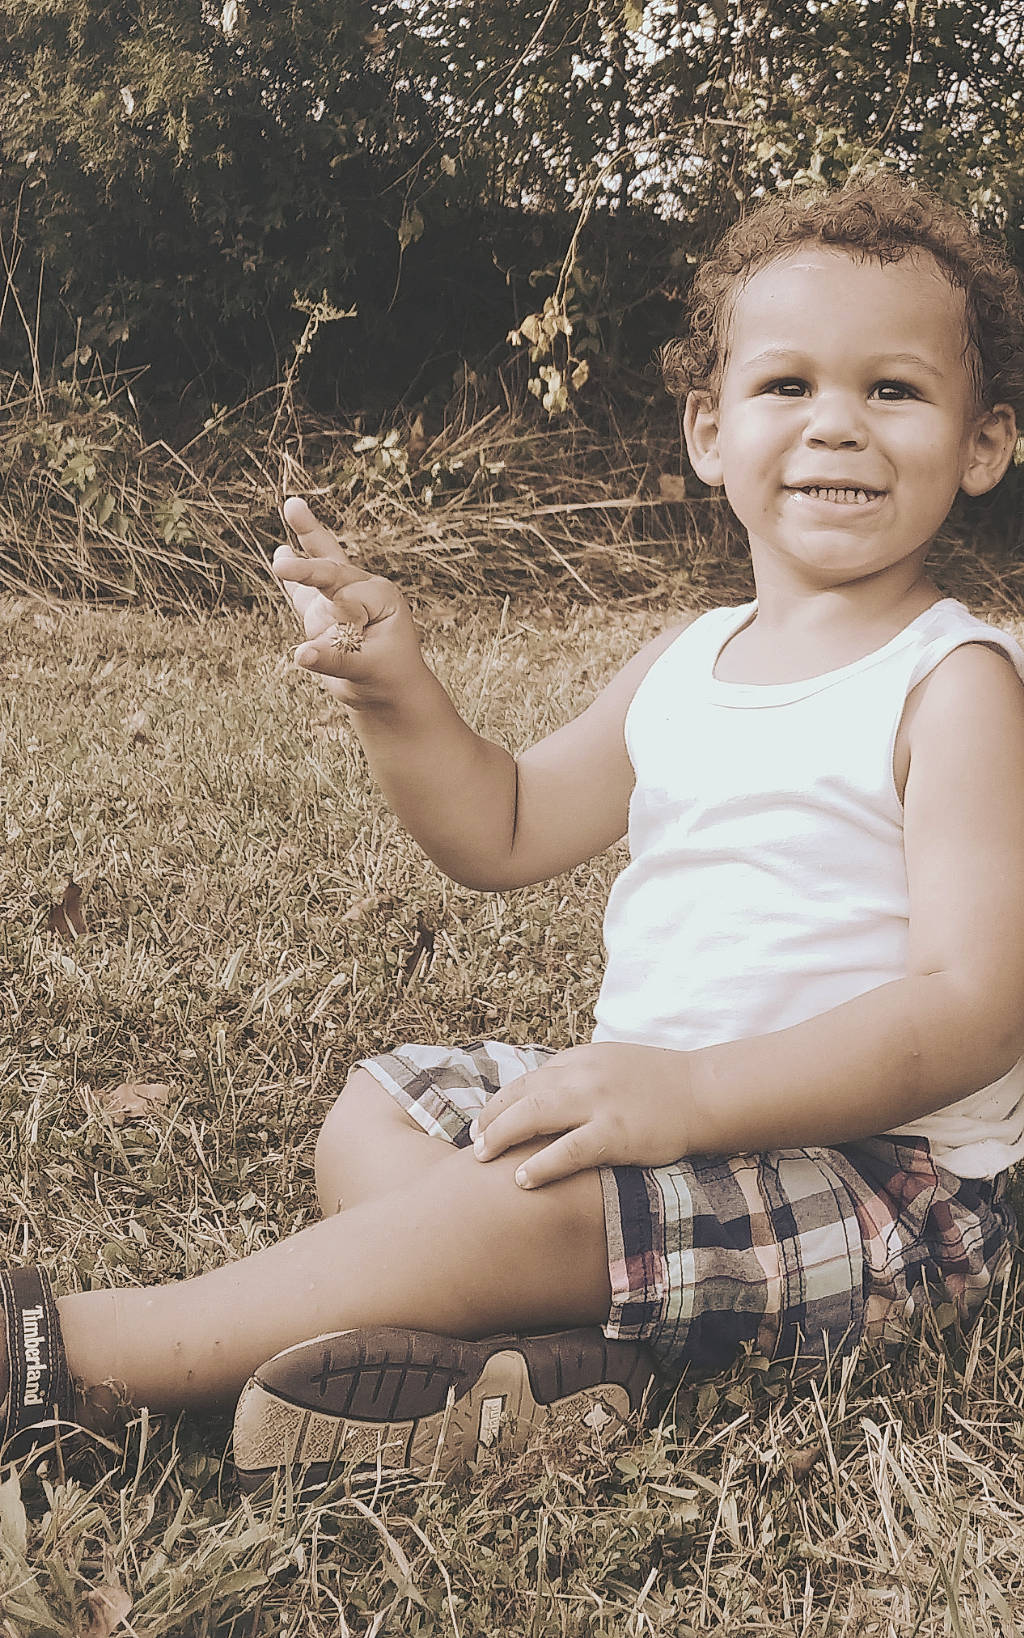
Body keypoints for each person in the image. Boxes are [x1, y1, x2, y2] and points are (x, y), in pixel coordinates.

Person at [4, 175, 1024, 1495]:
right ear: (710, 430)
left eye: (893, 390)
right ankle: (533, 1365)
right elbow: (506, 823)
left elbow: (974, 1009)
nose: (837, 424)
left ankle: (82, 1354)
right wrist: (400, 696)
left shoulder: (959, 683)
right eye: (788, 388)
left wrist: (690, 1093)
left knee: (530, 1201)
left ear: (984, 441)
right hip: (669, 1112)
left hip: (886, 1179)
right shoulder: (687, 658)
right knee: (382, 1106)